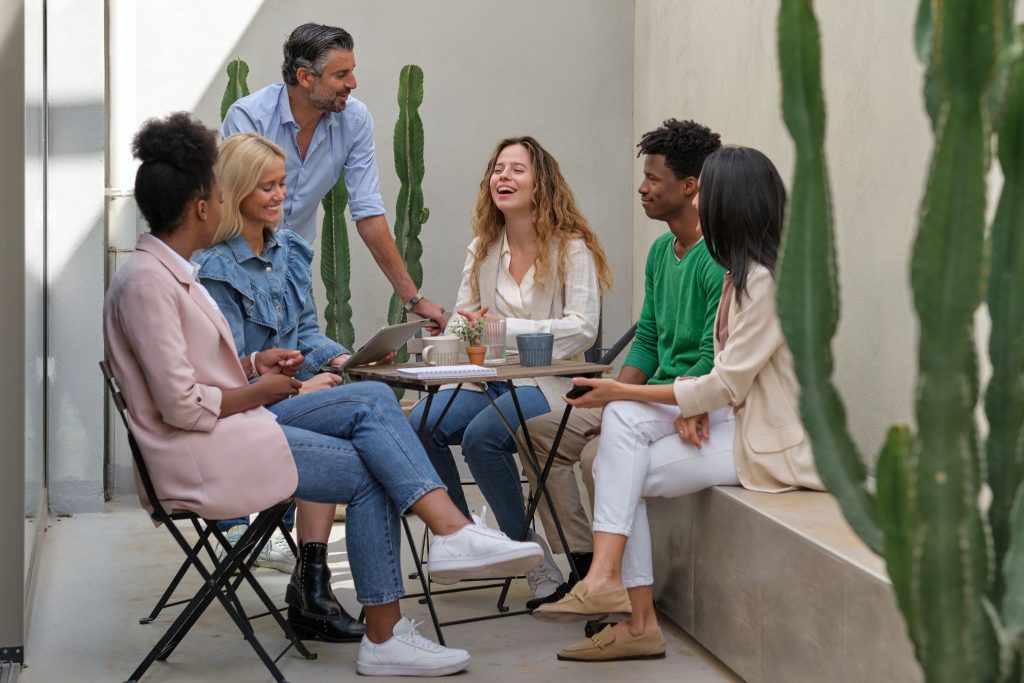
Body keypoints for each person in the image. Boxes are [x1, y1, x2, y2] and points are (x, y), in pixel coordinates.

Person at [105, 112, 543, 676]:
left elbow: (193, 377)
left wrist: (253, 363)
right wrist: (261, 385)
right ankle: (449, 536)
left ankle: (388, 632)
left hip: (227, 433)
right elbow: (182, 405)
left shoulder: (169, 274)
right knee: (370, 405)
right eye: (219, 192)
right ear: (202, 205)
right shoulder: (148, 283)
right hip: (199, 455)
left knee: (372, 465)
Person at [531, 146, 825, 662]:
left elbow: (727, 383)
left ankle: (624, 606)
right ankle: (623, 604)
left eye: (708, 191)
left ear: (732, 202)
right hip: (732, 420)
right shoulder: (740, 274)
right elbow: (719, 375)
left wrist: (625, 390)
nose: (701, 201)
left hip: (767, 442)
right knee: (622, 461)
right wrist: (692, 404)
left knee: (621, 458)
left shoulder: (768, 281)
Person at [517, 120, 725, 614]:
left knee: (604, 450)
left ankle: (623, 592)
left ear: (690, 186)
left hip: (685, 401)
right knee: (536, 434)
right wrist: (607, 394)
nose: (642, 187)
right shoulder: (659, 252)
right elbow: (648, 341)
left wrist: (619, 401)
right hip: (645, 394)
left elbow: (707, 365)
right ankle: (583, 562)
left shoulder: (717, 260)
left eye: (653, 178)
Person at [407, 136, 612, 601]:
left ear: (541, 183)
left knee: (483, 439)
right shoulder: (482, 247)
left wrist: (504, 328)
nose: (504, 177)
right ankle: (463, 537)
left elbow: (581, 329)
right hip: (488, 380)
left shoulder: (570, 248)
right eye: (499, 169)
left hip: (547, 380)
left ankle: (533, 563)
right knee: (421, 425)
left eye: (517, 169)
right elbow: (464, 317)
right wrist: (453, 335)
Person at [221, 22, 446, 329]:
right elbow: (241, 206)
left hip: (293, 270)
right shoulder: (248, 117)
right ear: (304, 77)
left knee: (307, 364)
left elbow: (368, 211)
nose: (352, 83)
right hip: (236, 270)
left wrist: (413, 300)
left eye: (352, 71)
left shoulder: (355, 120)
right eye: (341, 75)